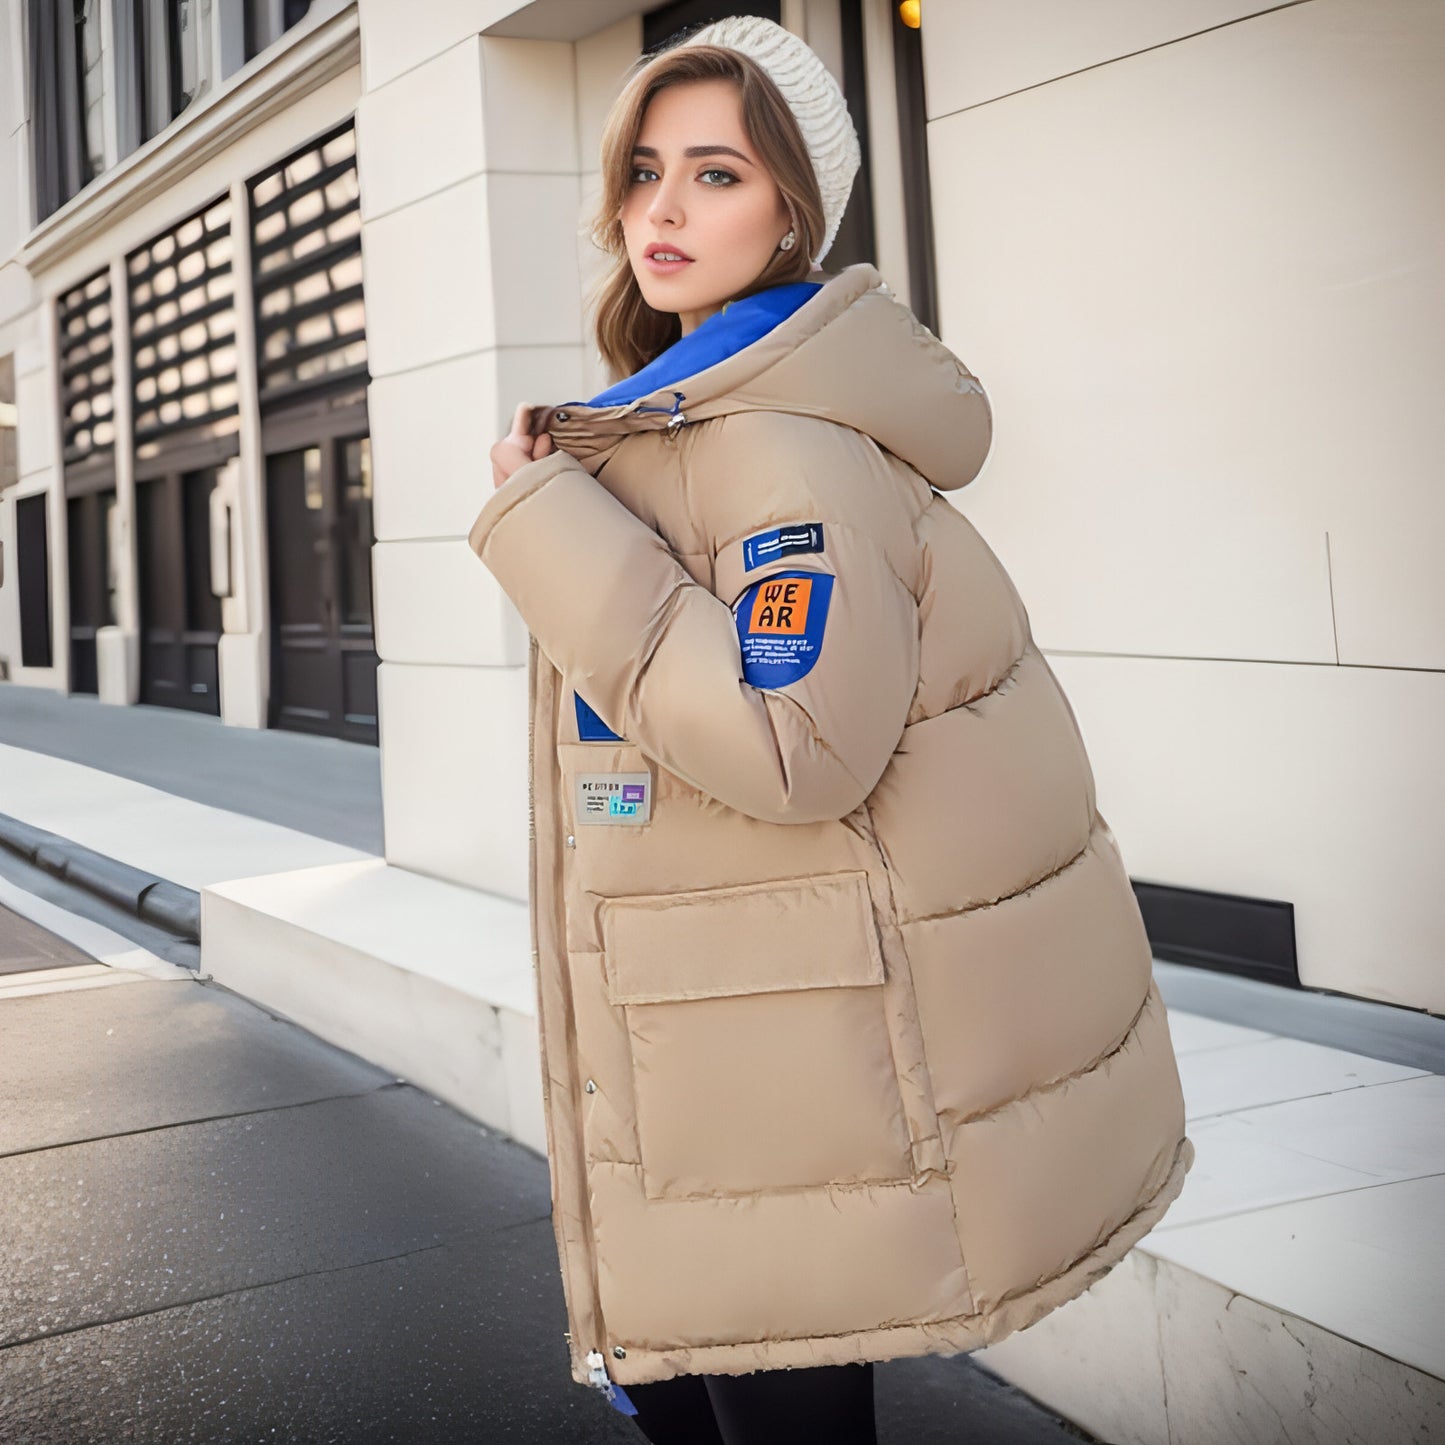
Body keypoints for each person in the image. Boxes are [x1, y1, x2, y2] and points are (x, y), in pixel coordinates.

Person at [471, 16, 1194, 1445]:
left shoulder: (780, 441)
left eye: (716, 174)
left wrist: (545, 526)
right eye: (644, 172)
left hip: (779, 1047)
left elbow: (798, 748)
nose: (662, 211)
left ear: (792, 208)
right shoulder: (670, 419)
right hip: (719, 1023)